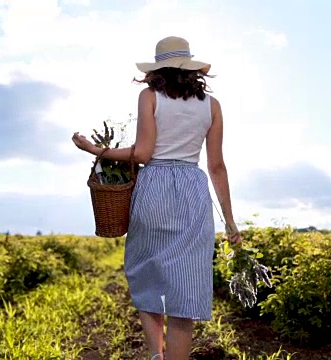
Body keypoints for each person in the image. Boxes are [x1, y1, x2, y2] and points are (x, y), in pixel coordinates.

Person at [72, 35, 241, 360]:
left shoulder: (149, 97)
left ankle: (155, 354)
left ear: (158, 70)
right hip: (192, 189)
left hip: (155, 189)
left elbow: (144, 153)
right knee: (186, 283)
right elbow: (217, 166)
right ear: (192, 69)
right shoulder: (212, 106)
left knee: (145, 271)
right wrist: (230, 221)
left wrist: (96, 149)